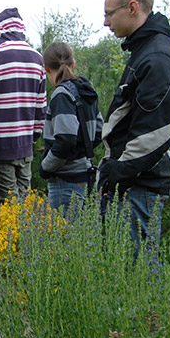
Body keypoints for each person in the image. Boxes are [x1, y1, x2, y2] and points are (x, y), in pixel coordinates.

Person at [99, 0, 170, 243]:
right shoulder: (144, 51)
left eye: (109, 13)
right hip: (133, 181)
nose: (106, 22)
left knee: (135, 268)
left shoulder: (158, 57)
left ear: (133, 7)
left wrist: (117, 174)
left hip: (141, 184)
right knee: (122, 265)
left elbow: (154, 131)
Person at [0, 8, 47, 204]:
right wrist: (33, 137)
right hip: (26, 145)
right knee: (25, 200)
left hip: (2, 143)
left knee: (9, 205)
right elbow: (41, 106)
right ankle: (27, 234)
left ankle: (12, 236)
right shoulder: (38, 58)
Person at [39, 42, 103, 216]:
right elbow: (99, 131)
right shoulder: (85, 90)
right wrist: (82, 152)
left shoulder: (61, 95)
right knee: (84, 238)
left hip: (65, 180)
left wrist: (46, 168)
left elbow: (66, 140)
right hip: (85, 175)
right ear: (73, 64)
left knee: (65, 237)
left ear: (45, 68)